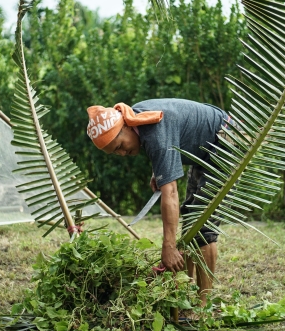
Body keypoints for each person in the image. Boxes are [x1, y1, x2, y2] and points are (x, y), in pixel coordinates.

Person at [86, 99, 227, 308]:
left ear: (125, 126)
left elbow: (170, 192)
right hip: (205, 150)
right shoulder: (140, 118)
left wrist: (168, 247)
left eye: (120, 146)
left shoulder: (152, 130)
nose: (122, 153)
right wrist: (159, 170)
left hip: (225, 141)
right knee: (190, 221)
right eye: (115, 153)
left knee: (202, 227)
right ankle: (186, 297)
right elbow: (171, 136)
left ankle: (202, 307)